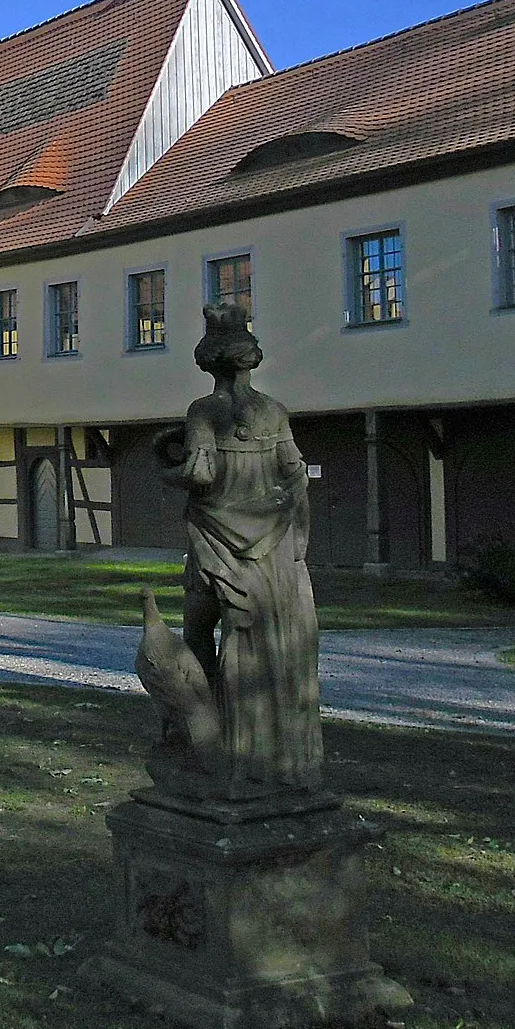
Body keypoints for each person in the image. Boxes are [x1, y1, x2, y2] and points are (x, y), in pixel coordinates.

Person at [149, 302, 323, 797]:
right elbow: (293, 475)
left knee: (198, 628)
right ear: (249, 359)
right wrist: (294, 537)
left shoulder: (204, 412)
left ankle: (206, 734)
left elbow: (199, 474)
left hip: (217, 538)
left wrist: (163, 464)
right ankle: (280, 750)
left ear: (208, 361)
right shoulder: (274, 411)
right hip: (271, 546)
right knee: (278, 638)